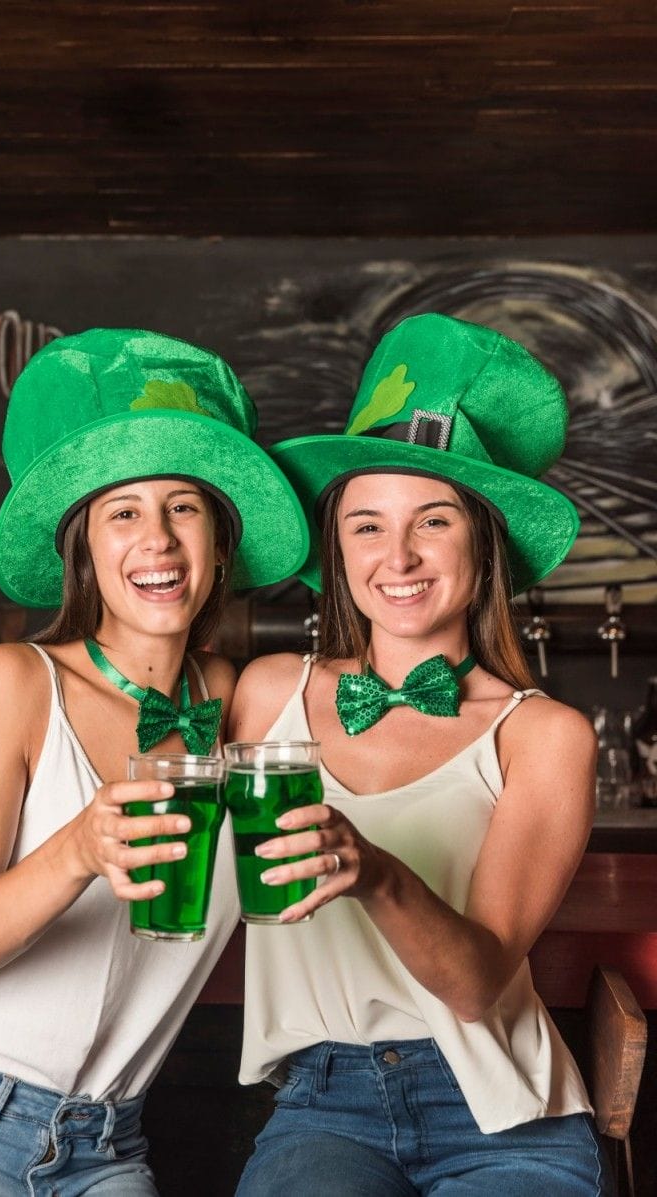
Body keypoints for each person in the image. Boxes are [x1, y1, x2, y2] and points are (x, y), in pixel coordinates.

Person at [0, 328, 308, 1196]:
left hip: (105, 1144)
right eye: (124, 512)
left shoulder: (244, 707)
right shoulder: (15, 681)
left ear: (219, 540)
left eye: (185, 506)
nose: (159, 539)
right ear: (87, 551)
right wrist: (67, 855)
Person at [229, 313, 612, 1195]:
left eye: (432, 520)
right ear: (338, 547)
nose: (396, 555)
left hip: (504, 1109)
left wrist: (374, 871)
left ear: (483, 543)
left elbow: (478, 984)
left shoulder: (544, 734)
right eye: (367, 526)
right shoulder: (265, 692)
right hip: (324, 1101)